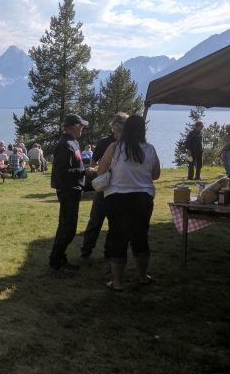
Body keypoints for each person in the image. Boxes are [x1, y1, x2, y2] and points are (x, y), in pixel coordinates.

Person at [97, 115, 160, 291]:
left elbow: (101, 171)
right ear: (143, 130)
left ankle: (117, 282)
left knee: (118, 237)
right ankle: (142, 277)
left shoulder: (115, 147)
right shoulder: (150, 149)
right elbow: (156, 175)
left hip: (117, 197)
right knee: (140, 237)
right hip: (143, 198)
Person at [80, 112, 128, 260]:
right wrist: (100, 174)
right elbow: (94, 162)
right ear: (112, 126)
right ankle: (86, 252)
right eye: (117, 123)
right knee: (95, 221)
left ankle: (109, 252)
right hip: (104, 188)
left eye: (122, 123)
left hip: (120, 189)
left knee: (115, 223)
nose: (118, 126)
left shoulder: (129, 143)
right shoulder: (104, 142)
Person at [49, 114, 88, 275]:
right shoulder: (64, 144)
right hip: (68, 190)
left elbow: (74, 165)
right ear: (73, 126)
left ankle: (58, 258)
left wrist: (83, 169)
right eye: (81, 125)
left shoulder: (73, 142)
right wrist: (84, 171)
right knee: (68, 227)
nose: (83, 128)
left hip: (73, 189)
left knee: (66, 225)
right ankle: (56, 262)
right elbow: (62, 172)